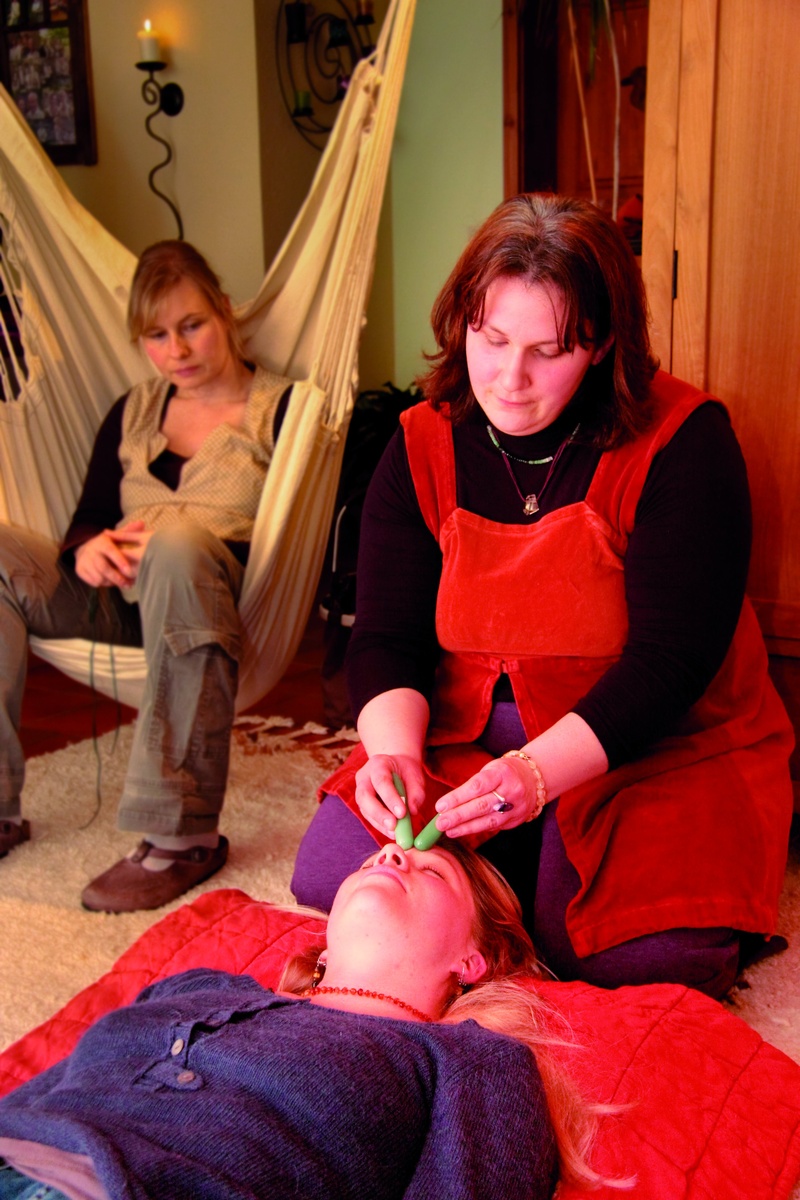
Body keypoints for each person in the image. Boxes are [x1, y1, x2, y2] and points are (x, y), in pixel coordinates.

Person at [292, 193, 795, 1000]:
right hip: (465, 732)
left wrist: (534, 778)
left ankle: (528, 886)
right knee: (326, 876)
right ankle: (516, 878)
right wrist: (394, 755)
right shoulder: (421, 441)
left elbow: (671, 665)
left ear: (601, 345)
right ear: (462, 322)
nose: (510, 380)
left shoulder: (686, 441)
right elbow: (385, 637)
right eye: (490, 340)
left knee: (623, 956)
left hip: (652, 741)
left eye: (548, 350)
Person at [0, 842, 619, 1199]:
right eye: (379, 855)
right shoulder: (199, 986)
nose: (391, 853)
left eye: (432, 871)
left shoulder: (470, 1059)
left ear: (472, 959)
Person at [0, 241, 293, 912]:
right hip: (118, 601)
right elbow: (89, 516)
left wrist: (170, 543)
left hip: (215, 602)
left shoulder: (282, 410)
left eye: (192, 325)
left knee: (177, 545)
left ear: (225, 312)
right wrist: (86, 549)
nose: (177, 350)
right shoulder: (132, 410)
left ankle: (181, 836)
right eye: (156, 336)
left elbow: (294, 538)